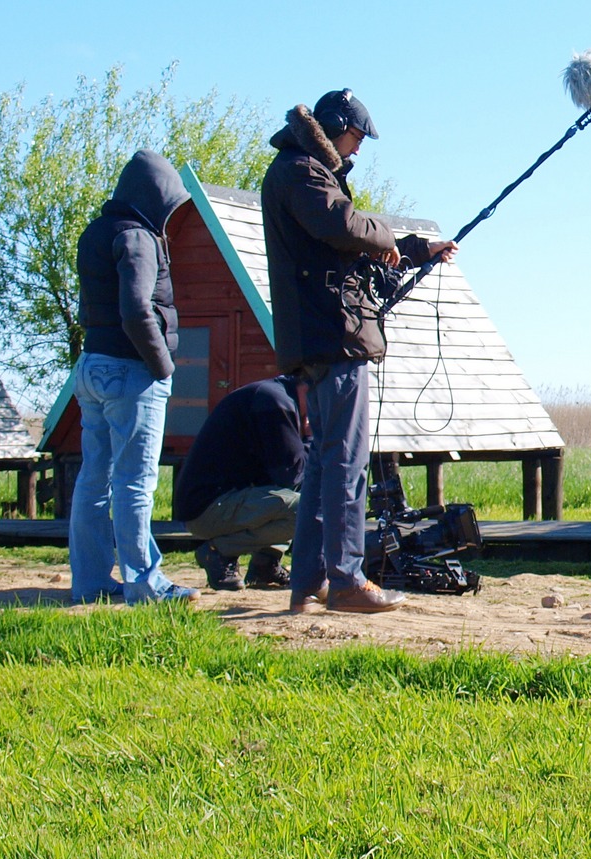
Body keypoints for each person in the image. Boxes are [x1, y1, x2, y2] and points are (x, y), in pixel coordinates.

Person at [261, 89, 454, 615]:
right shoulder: (301, 171)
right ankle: (346, 580)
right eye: (356, 136)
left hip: (322, 335)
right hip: (333, 334)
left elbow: (346, 243)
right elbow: (343, 225)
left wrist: (414, 249)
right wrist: (387, 237)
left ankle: (309, 583)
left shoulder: (303, 170)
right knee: (346, 461)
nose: (359, 148)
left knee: (325, 464)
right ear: (335, 126)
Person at [68, 149, 198, 603]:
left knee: (93, 480)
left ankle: (89, 583)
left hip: (92, 365)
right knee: (135, 481)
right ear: (154, 196)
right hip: (131, 371)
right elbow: (137, 310)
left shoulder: (96, 231)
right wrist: (163, 367)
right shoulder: (138, 237)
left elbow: (96, 308)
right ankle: (146, 584)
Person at [174, 377, 307, 591]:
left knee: (302, 495)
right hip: (207, 509)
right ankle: (218, 552)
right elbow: (292, 474)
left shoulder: (274, 395)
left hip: (216, 501)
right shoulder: (275, 401)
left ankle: (265, 564)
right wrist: (311, 438)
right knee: (308, 510)